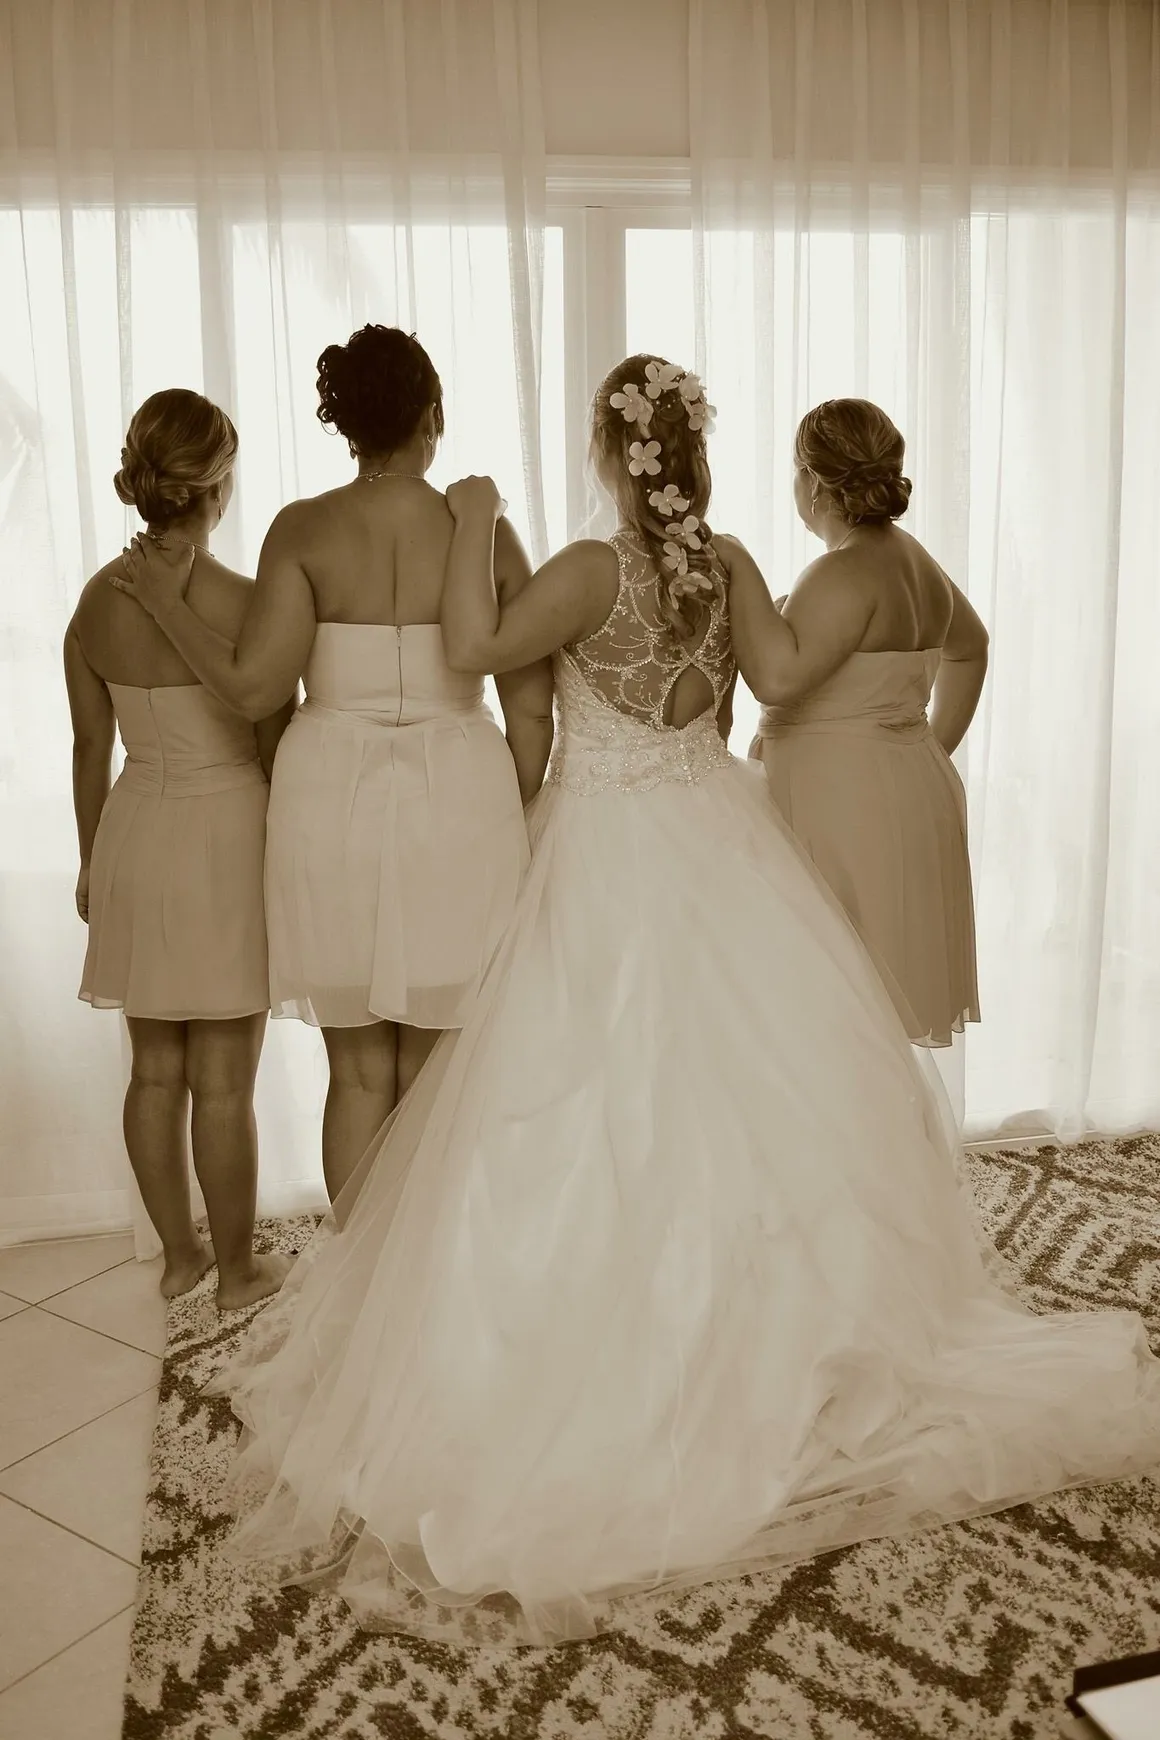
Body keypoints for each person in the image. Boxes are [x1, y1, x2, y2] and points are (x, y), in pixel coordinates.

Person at [203, 355, 1160, 1650]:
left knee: (576, 1093)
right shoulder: (731, 565)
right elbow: (772, 678)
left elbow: (483, 651)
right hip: (713, 838)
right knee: (737, 1089)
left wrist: (479, 519)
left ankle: (577, 1356)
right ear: (687, 456)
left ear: (612, 457)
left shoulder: (591, 571)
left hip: (603, 846)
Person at [111, 326, 552, 1200]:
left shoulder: (303, 529)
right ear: (434, 415)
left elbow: (250, 688)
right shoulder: (484, 533)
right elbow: (532, 707)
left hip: (328, 803)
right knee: (433, 1071)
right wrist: (519, 808)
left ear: (345, 427)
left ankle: (352, 1293)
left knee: (354, 1073)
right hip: (461, 799)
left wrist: (167, 604)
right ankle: (423, 1290)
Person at [65, 389, 293, 1309]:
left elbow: (90, 747)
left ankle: (178, 1256)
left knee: (153, 1069)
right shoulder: (244, 604)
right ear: (218, 487)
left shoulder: (94, 601)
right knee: (224, 1081)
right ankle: (238, 1273)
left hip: (133, 834)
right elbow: (275, 744)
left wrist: (90, 859)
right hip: (227, 832)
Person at [748, 399, 986, 1045]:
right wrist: (927, 745)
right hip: (901, 783)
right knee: (865, 999)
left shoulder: (841, 570)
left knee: (827, 997)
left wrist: (740, 576)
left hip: (841, 797)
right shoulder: (911, 558)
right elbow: (971, 646)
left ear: (811, 479)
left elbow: (775, 679)